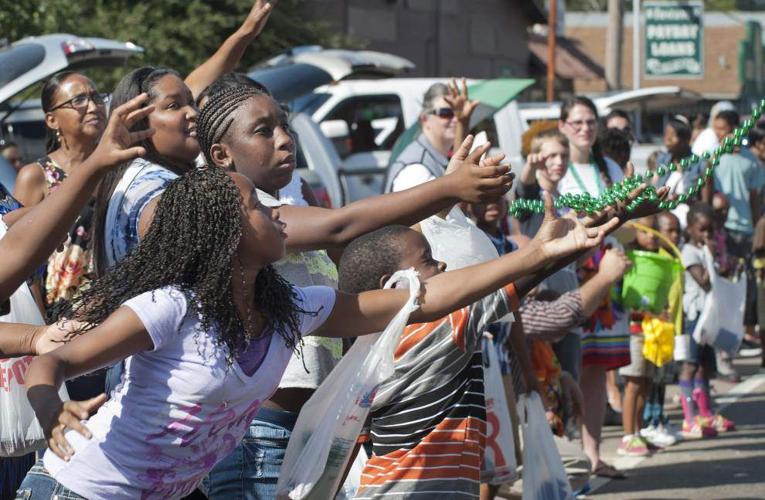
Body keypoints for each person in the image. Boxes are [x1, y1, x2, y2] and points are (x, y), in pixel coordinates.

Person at [16, 166, 618, 499]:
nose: (277, 214)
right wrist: (49, 407)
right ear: (222, 235)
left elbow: (423, 298)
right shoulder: (170, 308)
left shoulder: (292, 307)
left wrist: (536, 255)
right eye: (258, 207)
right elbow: (55, 359)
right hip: (78, 491)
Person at [192, 79, 512, 499]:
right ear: (221, 155)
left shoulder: (288, 204)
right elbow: (341, 225)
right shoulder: (242, 214)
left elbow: (364, 248)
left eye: (284, 126)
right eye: (264, 131)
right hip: (259, 439)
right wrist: (444, 188)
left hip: (311, 431)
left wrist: (443, 199)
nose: (286, 140)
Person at [557, 95, 627, 478]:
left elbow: (627, 223)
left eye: (590, 122)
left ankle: (593, 453)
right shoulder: (558, 167)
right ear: (563, 125)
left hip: (607, 273)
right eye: (577, 122)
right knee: (566, 364)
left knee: (597, 369)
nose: (585, 129)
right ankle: (569, 455)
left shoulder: (611, 168)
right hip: (570, 275)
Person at [13, 72, 109, 313]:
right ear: (52, 120)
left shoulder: (118, 166)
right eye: (78, 100)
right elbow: (20, 255)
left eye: (96, 97)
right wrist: (38, 322)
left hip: (117, 307)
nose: (93, 106)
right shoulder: (36, 175)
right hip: (61, 317)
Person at [678, 203, 735, 439]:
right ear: (690, 228)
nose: (707, 235)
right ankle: (689, 417)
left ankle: (705, 412)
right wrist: (711, 257)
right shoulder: (689, 251)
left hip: (709, 318)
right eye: (702, 230)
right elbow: (704, 280)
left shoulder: (705, 250)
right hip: (694, 317)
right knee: (690, 365)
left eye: (710, 231)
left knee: (704, 365)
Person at [712, 109, 765, 359]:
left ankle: (741, 336)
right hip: (724, 232)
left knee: (747, 288)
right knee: (725, 289)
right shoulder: (712, 158)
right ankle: (724, 352)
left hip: (746, 232)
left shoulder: (751, 161)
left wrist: (757, 231)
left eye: (723, 128)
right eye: (716, 128)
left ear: (736, 129)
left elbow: (755, 200)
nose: (718, 133)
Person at [618, 216, 663, 457]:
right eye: (645, 231)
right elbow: (627, 299)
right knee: (633, 383)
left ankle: (639, 432)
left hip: (652, 330)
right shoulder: (628, 260)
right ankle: (627, 436)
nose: (652, 236)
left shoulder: (659, 261)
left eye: (655, 231)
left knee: (646, 383)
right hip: (634, 331)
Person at [385, 80, 477, 193]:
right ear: (425, 119)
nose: (455, 119)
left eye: (457, 112)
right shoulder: (416, 169)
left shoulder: (434, 158)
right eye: (446, 113)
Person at [640, 211, 683, 448]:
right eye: (669, 231)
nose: (673, 236)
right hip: (651, 329)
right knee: (649, 379)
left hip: (669, 327)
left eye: (678, 231)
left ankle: (659, 418)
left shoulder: (671, 258)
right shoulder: (652, 259)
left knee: (662, 379)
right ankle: (648, 421)